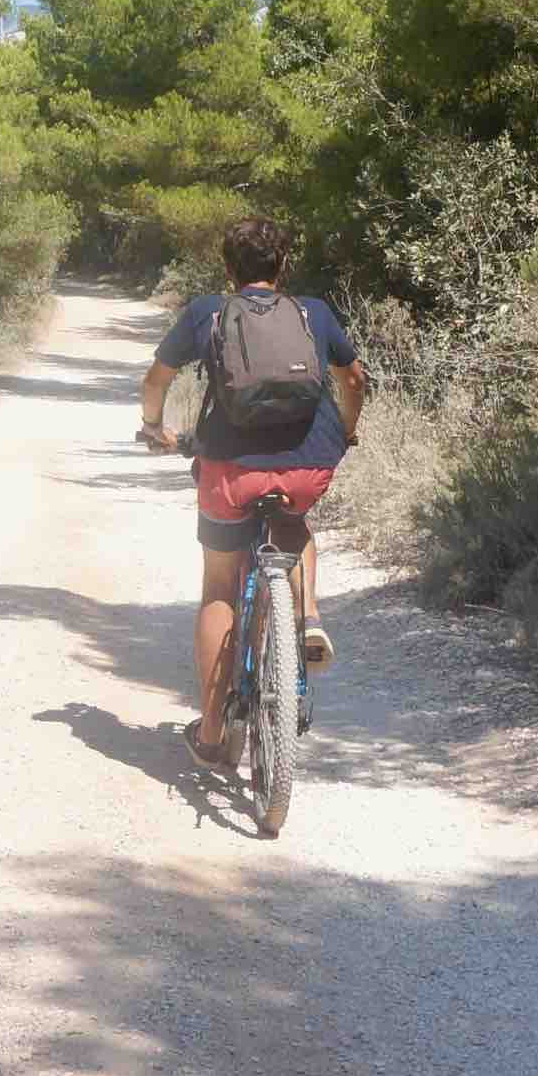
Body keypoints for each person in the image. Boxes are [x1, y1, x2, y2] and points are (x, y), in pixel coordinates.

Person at [136, 215, 369, 770]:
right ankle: (308, 613)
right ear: (283, 265)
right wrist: (349, 429)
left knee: (220, 584)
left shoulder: (206, 313)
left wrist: (154, 427)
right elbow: (355, 379)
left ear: (227, 268)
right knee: (296, 525)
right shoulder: (313, 313)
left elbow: (156, 380)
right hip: (306, 469)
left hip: (230, 471)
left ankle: (214, 735)